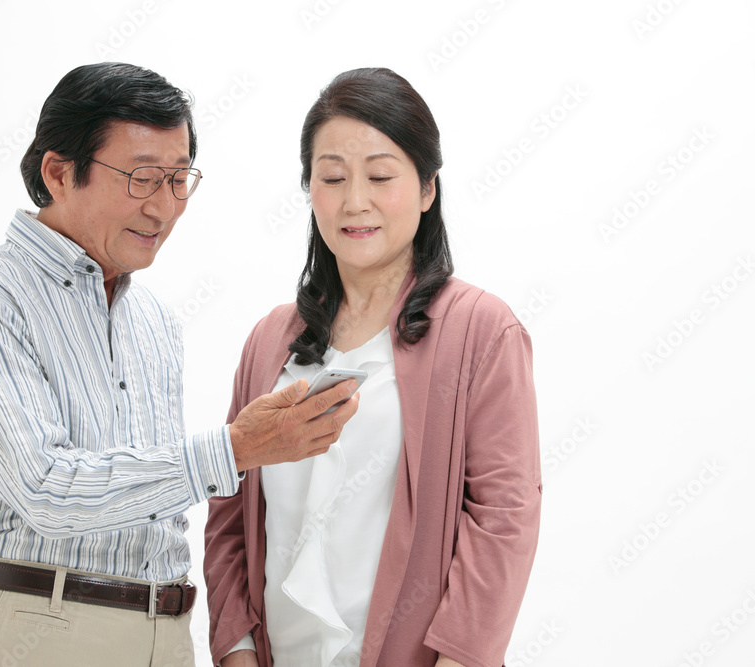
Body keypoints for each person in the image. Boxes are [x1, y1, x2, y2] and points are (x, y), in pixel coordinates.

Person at [0, 62, 359, 667]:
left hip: (163, 631)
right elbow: (46, 492)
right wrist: (236, 449)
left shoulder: (152, 319)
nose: (164, 207)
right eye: (143, 178)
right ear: (58, 173)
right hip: (31, 625)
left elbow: (155, 507)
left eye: (179, 179)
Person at [204, 67, 541, 667]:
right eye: (332, 177)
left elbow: (504, 518)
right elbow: (228, 512)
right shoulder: (270, 341)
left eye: (381, 176)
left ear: (428, 188)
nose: (355, 201)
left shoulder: (481, 330)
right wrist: (236, 650)